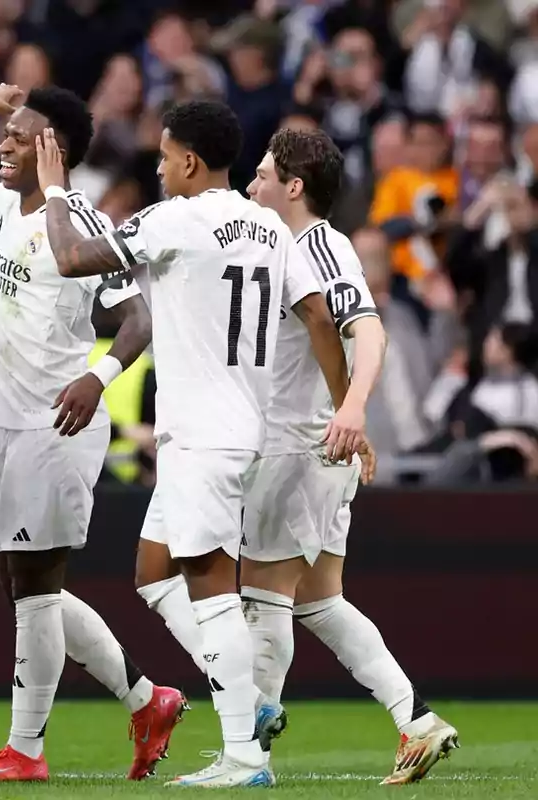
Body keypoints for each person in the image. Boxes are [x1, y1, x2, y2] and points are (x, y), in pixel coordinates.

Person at [36, 99, 362, 788]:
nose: (158, 168)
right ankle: (246, 700)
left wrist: (58, 191)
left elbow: (70, 258)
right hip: (242, 427)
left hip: (203, 438)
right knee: (154, 571)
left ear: (188, 160)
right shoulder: (271, 227)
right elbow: (316, 315)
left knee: (213, 591)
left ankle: (244, 750)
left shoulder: (174, 218)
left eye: (162, 156)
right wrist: (342, 408)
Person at [0, 86, 186, 782]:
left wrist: (100, 377)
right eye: (6, 134)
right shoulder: (1, 205)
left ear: (54, 149)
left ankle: (25, 750)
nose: (4, 144)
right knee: (25, 587)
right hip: (5, 420)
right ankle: (149, 700)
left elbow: (139, 318)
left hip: (57, 422)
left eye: (21, 136)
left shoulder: (82, 220)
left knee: (35, 588)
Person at [244, 127, 458, 785]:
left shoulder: (316, 248)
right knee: (320, 600)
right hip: (323, 444)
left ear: (294, 187)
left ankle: (249, 753)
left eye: (261, 175)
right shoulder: (293, 246)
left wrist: (354, 408)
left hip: (298, 443)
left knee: (262, 595)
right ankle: (416, 720)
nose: (251, 185)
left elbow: (367, 328)